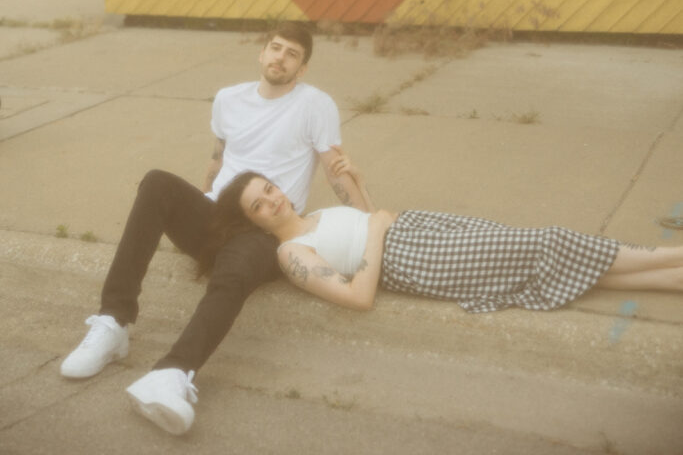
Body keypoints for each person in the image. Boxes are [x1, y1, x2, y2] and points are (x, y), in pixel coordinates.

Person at [60, 23, 369, 435]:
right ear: (262, 54)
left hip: (265, 230)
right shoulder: (229, 99)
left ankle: (171, 374)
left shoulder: (315, 105)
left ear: (303, 67)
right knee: (156, 183)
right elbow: (219, 160)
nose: (280, 57)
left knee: (236, 269)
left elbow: (336, 172)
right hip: (216, 215)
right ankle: (114, 321)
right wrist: (201, 199)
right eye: (275, 48)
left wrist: (369, 227)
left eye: (292, 53)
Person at [206, 160, 683, 316]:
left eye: (268, 190)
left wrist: (360, 186)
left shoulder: (314, 214)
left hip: (420, 228)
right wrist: (375, 228)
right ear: (254, 223)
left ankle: (672, 279)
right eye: (259, 206)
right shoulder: (291, 254)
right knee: (547, 242)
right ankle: (672, 255)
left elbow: (374, 220)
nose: (272, 201)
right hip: (418, 259)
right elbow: (357, 296)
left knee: (542, 260)